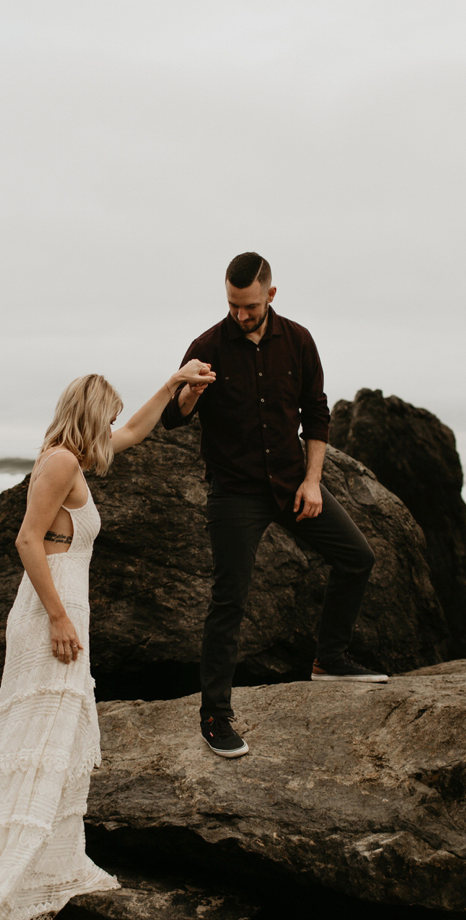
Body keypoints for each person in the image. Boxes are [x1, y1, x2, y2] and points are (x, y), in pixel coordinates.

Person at [0, 358, 215, 920]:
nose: (117, 425)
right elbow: (27, 538)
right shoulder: (61, 461)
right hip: (50, 614)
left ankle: (48, 865)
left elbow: (132, 435)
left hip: (65, 611)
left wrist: (173, 385)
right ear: (91, 412)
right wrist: (57, 617)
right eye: (111, 414)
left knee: (57, 741)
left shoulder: (76, 456)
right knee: (35, 742)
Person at [161, 254, 384, 760]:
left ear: (271, 295)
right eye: (233, 306)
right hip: (234, 492)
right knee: (229, 600)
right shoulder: (207, 347)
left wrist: (312, 482)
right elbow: (174, 421)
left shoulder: (299, 341)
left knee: (358, 558)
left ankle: (330, 660)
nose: (241, 315)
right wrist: (190, 394)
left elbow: (317, 415)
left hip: (290, 483)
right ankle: (215, 715)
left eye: (250, 305)